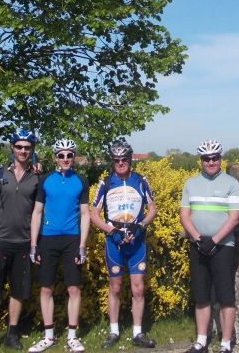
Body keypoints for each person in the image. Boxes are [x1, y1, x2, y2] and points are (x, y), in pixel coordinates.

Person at [0, 129, 41, 353]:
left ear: (32, 150)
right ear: (12, 148)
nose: (23, 151)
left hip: (23, 241)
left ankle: (12, 335)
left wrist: (34, 243)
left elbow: (37, 211)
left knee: (18, 291)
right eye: (19, 146)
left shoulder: (36, 177)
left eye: (27, 147)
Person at [89, 139, 157, 349]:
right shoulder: (106, 183)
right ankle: (114, 331)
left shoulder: (140, 181)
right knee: (115, 287)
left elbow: (152, 209)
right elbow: (94, 214)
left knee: (138, 289)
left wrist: (142, 225)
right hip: (114, 242)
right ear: (113, 161)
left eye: (124, 159)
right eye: (117, 159)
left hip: (137, 241)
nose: (121, 163)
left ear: (130, 159)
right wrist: (111, 230)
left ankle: (137, 333)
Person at [179, 140, 239, 353]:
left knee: (225, 296)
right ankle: (201, 341)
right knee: (201, 295)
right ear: (201, 161)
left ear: (220, 159)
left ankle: (225, 343)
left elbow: (234, 218)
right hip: (198, 245)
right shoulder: (191, 183)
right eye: (206, 159)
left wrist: (214, 240)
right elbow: (184, 215)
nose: (211, 162)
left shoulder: (231, 183)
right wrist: (198, 238)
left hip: (223, 245)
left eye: (215, 158)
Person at [28, 138, 90, 353]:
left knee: (74, 288)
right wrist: (33, 245)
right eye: (61, 155)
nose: (65, 159)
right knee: (46, 288)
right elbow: (36, 212)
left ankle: (72, 336)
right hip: (48, 238)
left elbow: (85, 214)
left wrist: (82, 245)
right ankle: (49, 336)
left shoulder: (81, 180)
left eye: (69, 155)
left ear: (73, 157)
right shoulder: (45, 180)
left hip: (72, 238)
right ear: (56, 157)